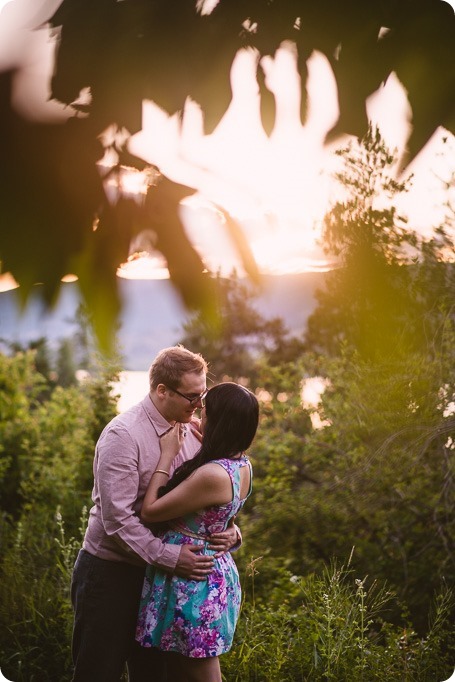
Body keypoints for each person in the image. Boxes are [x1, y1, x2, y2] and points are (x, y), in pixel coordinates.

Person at [70, 346, 240, 682]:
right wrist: (170, 556)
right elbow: (117, 520)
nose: (199, 405)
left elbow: (209, 495)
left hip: (164, 583)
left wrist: (231, 529)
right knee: (98, 672)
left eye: (202, 394)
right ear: (161, 390)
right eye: (192, 396)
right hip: (113, 575)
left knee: (155, 676)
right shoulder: (123, 435)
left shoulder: (194, 432)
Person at [135, 382, 259, 682]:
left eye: (205, 414)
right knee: (183, 671)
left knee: (200, 672)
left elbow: (150, 511)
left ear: (218, 422)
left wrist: (168, 454)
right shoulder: (241, 465)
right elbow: (217, 516)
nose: (198, 418)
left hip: (194, 582)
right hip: (210, 572)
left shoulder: (211, 475)